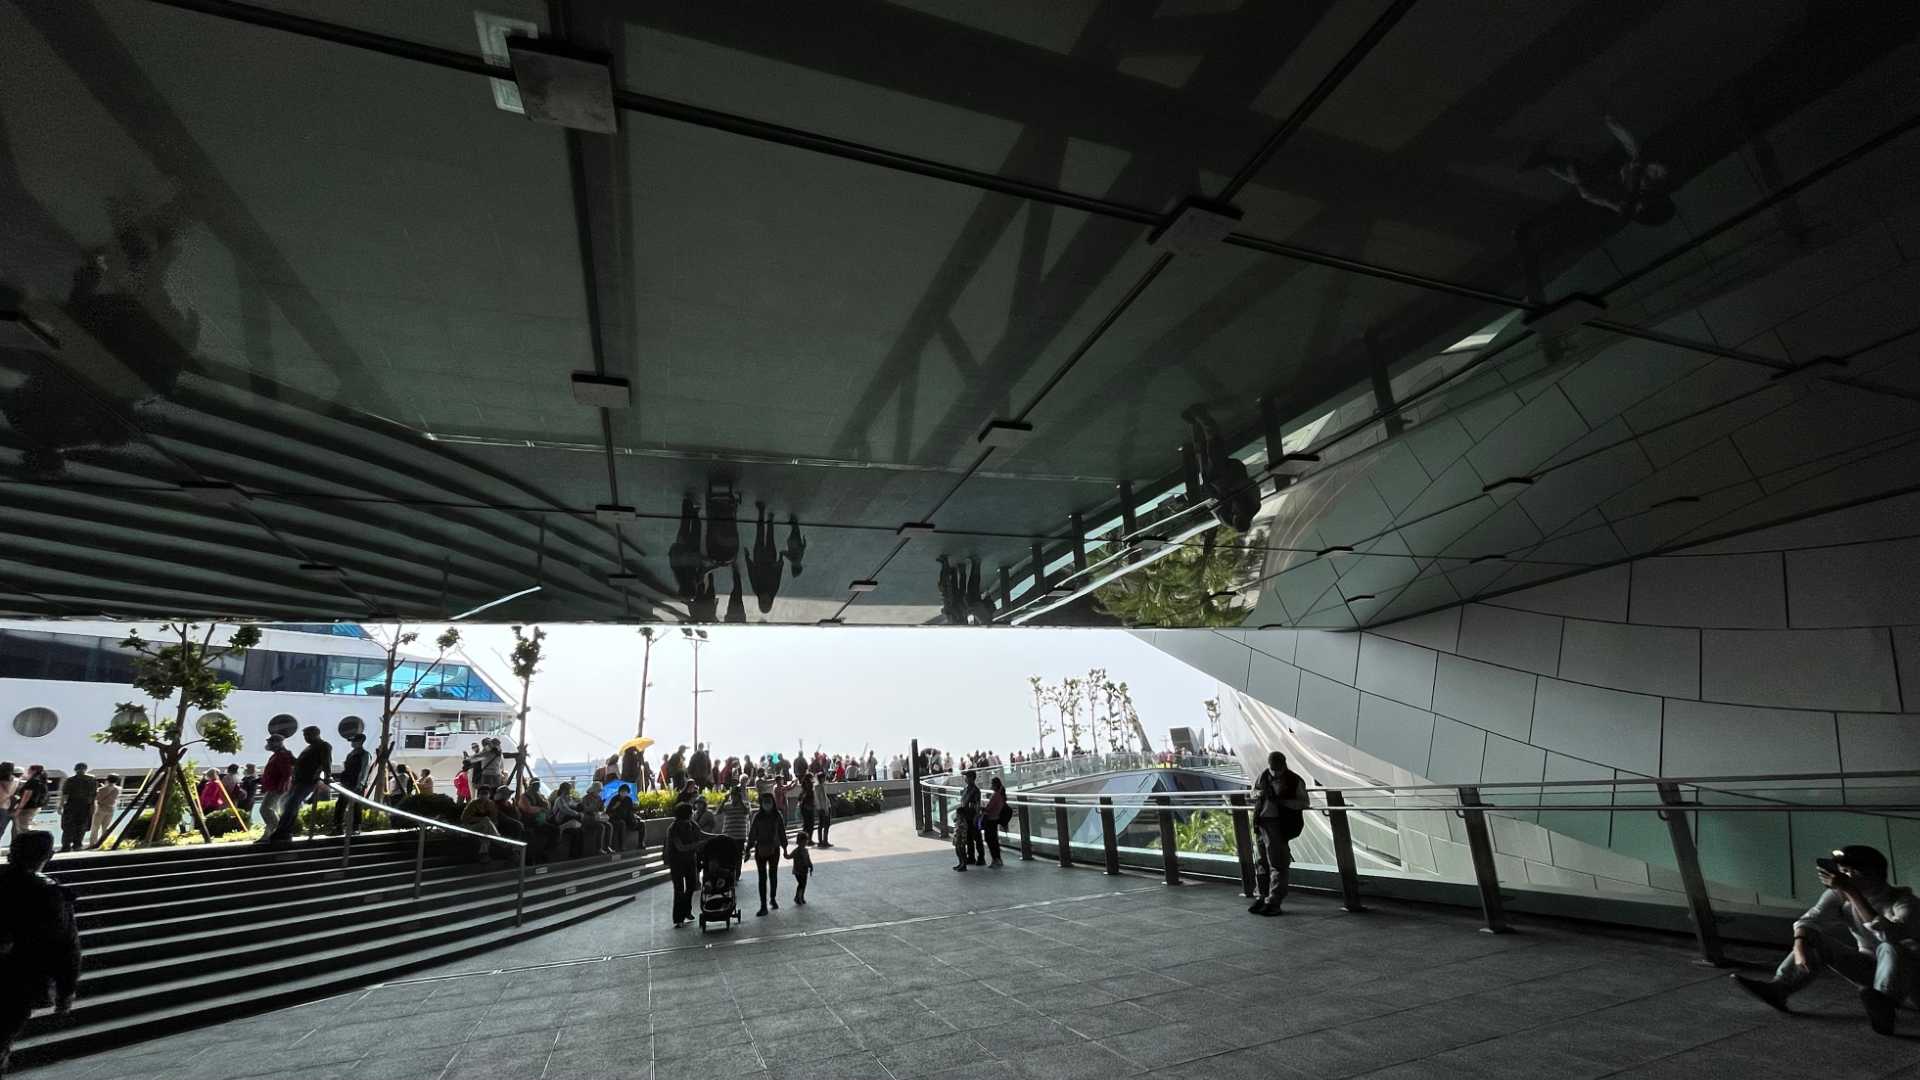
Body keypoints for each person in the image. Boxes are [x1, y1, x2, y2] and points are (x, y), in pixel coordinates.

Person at [1732, 845, 1915, 1035]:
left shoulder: (1903, 901)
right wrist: (1800, 944)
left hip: (1910, 979)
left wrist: (1853, 893)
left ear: (1875, 874)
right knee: (1813, 937)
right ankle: (1779, 988)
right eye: (1843, 872)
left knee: (1890, 947)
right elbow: (1810, 920)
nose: (1845, 878)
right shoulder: (1839, 895)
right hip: (1872, 972)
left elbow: (1890, 936)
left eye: (1853, 872)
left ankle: (1885, 1007)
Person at [0, 832, 80, 1077]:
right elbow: (66, 946)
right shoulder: (50, 894)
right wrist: (65, 991)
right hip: (20, 979)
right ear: (48, 855)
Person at [1529, 114, 1674, 226]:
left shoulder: (1622, 204)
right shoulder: (1649, 189)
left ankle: (1545, 160)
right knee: (1637, 154)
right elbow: (1644, 164)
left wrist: (1577, 176)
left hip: (1604, 180)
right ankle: (1609, 120)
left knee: (1579, 174)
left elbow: (1591, 194)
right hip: (1621, 174)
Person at [1181, 405, 1258, 532]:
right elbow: (1252, 484)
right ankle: (1202, 416)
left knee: (1201, 451)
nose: (1236, 513)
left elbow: (1213, 507)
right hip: (1228, 475)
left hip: (1213, 482)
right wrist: (1235, 488)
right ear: (1246, 517)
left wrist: (1217, 496)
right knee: (1214, 445)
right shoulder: (1253, 506)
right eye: (1240, 515)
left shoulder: (1227, 520)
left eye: (1236, 516)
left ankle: (1194, 424)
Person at [1250, 751, 1308, 916]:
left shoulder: (1294, 780)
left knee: (1278, 864)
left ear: (1284, 765)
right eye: (1272, 769)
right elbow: (1252, 792)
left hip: (1278, 824)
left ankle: (1273, 901)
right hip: (1261, 824)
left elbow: (1304, 802)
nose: (1275, 772)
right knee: (1261, 862)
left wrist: (1282, 802)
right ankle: (1262, 897)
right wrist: (1258, 794)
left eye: (1278, 769)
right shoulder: (1263, 777)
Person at [262, 727, 330, 846]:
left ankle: (283, 832)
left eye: (307, 735)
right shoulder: (309, 747)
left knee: (291, 805)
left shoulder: (323, 746)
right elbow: (298, 763)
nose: (305, 738)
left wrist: (327, 777)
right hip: (299, 781)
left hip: (307, 781)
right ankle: (283, 832)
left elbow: (326, 762)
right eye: (305, 736)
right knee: (289, 805)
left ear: (315, 734)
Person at [667, 802, 705, 928]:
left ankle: (686, 911)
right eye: (691, 812)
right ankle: (678, 918)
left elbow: (701, 835)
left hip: (690, 860)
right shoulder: (674, 828)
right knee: (678, 889)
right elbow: (680, 847)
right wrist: (697, 845)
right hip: (676, 862)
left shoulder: (692, 825)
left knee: (691, 887)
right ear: (687, 814)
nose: (693, 813)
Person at [748, 792, 786, 916]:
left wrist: (785, 848)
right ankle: (763, 905)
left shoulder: (777, 815)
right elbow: (752, 833)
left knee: (773, 875)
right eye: (765, 802)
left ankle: (773, 899)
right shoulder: (757, 816)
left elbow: (782, 832)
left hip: (774, 849)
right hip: (760, 850)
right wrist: (748, 848)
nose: (767, 804)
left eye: (769, 801)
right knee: (762, 878)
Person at [745, 502, 784, 612]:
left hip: (759, 558)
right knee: (769, 537)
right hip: (769, 559)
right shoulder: (771, 589)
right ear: (770, 601)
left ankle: (762, 513)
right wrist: (780, 560)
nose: (763, 599)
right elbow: (778, 575)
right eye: (766, 601)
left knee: (760, 534)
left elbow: (751, 572)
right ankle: (769, 520)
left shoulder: (758, 589)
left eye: (762, 601)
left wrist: (747, 558)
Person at [669, 495, 705, 601]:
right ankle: (687, 503)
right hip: (682, 546)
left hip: (692, 548)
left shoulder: (696, 579)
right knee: (685, 524)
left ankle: (694, 511)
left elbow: (703, 567)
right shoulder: (678, 575)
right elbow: (673, 560)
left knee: (696, 528)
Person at [332, 734, 370, 833]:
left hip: (356, 784)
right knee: (340, 804)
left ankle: (356, 827)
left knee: (357, 806)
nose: (352, 743)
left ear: (361, 741)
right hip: (346, 783)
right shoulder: (350, 754)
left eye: (354, 741)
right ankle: (338, 827)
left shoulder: (364, 754)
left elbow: (364, 770)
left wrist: (360, 784)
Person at [57, 765, 99, 853]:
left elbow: (65, 795)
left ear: (75, 770)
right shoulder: (92, 780)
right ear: (85, 769)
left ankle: (66, 846)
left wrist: (60, 806)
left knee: (68, 827)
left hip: (71, 805)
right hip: (85, 806)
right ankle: (77, 845)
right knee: (81, 827)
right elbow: (94, 796)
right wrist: (93, 808)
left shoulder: (70, 780)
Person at [258, 736, 293, 836]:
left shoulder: (282, 755)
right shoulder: (277, 755)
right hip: (274, 787)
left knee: (265, 809)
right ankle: (272, 833)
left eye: (270, 742)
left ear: (277, 743)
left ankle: (276, 832)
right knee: (269, 809)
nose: (268, 744)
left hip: (277, 788)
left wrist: (281, 787)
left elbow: (287, 773)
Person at [461, 786, 502, 862]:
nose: (484, 795)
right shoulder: (473, 804)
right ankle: (498, 839)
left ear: (489, 794)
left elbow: (494, 819)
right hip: (471, 827)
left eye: (486, 793)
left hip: (485, 828)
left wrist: (490, 825)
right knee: (485, 821)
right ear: (478, 794)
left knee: (486, 829)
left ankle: (484, 853)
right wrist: (480, 819)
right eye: (482, 793)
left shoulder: (491, 804)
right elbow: (464, 819)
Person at [11, 766, 49, 836]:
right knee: (25, 827)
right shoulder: (42, 780)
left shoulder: (33, 781)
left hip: (27, 808)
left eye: (29, 770)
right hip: (35, 807)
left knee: (23, 828)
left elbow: (26, 796)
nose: (27, 771)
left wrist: (19, 809)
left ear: (33, 771)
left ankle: (27, 844)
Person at [959, 770, 984, 868]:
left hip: (973, 817)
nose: (965, 778)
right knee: (968, 838)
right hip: (966, 817)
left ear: (972, 778)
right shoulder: (966, 789)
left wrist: (977, 817)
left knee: (977, 838)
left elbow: (977, 805)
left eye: (967, 777)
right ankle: (971, 857)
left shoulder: (975, 790)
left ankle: (981, 857)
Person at [89, 773, 121, 848]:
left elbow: (97, 798)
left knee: (95, 827)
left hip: (100, 809)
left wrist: (101, 788)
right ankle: (104, 843)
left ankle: (93, 844)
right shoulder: (118, 789)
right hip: (111, 809)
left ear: (107, 780)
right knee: (105, 828)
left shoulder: (101, 790)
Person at [580, 781, 612, 854]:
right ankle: (599, 848)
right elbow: (585, 809)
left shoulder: (599, 798)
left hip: (597, 818)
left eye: (600, 791)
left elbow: (601, 809)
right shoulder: (585, 798)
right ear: (593, 790)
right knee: (601, 827)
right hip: (587, 819)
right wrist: (594, 810)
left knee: (609, 826)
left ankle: (607, 846)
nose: (599, 792)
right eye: (598, 791)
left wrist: (603, 807)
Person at [983, 777, 1008, 868]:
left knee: (990, 840)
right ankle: (997, 859)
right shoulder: (1000, 795)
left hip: (990, 820)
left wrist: (982, 809)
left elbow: (989, 808)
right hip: (995, 819)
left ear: (995, 785)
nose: (990, 785)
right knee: (994, 840)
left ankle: (995, 859)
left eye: (992, 784)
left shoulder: (995, 796)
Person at [606, 784, 637, 853]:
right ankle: (622, 845)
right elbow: (608, 811)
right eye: (622, 791)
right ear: (619, 792)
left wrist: (634, 810)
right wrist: (615, 806)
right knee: (622, 823)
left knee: (641, 823)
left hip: (626, 818)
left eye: (625, 792)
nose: (623, 793)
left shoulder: (628, 799)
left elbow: (631, 811)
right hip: (615, 818)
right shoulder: (615, 799)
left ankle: (641, 843)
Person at [790, 831, 814, 906]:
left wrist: (810, 865)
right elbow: (789, 856)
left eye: (805, 841)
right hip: (797, 871)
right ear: (798, 842)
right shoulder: (796, 851)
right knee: (801, 884)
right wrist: (785, 853)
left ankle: (801, 897)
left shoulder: (806, 850)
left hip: (804, 871)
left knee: (803, 884)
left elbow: (808, 858)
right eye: (802, 842)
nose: (804, 843)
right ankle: (797, 897)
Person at [784, 513, 806, 578]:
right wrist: (781, 554)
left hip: (796, 543)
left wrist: (804, 542)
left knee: (796, 530)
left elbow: (802, 550)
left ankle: (793, 521)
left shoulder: (799, 560)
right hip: (793, 543)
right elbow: (786, 554)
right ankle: (793, 520)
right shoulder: (794, 561)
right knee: (795, 531)